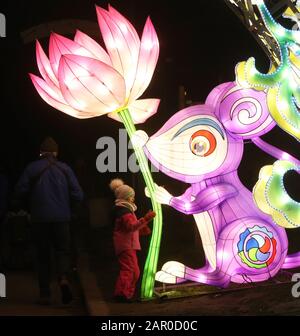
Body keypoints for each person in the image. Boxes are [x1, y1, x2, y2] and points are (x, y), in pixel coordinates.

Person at [14, 137, 84, 305]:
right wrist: (70, 208)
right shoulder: (65, 169)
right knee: (62, 251)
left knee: (42, 255)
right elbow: (78, 195)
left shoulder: (31, 168)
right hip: (62, 219)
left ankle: (45, 294)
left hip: (39, 219)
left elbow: (19, 191)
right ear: (56, 152)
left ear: (41, 152)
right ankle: (63, 279)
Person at [109, 178, 155, 302]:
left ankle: (125, 293)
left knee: (133, 270)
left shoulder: (124, 210)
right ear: (126, 198)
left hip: (126, 245)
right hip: (126, 246)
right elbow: (130, 227)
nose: (133, 199)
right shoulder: (125, 212)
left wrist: (140, 230)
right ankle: (122, 294)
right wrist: (146, 219)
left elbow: (129, 227)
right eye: (131, 196)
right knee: (130, 270)